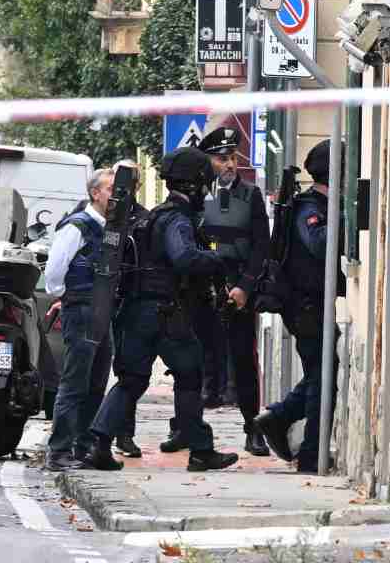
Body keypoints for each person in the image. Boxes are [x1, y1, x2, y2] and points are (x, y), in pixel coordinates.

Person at [85, 147, 241, 473]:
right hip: (166, 313)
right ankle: (199, 451)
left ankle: (99, 443)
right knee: (190, 373)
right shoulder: (177, 219)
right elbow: (183, 257)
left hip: (137, 312)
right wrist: (220, 259)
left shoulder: (153, 214)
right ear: (195, 184)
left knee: (131, 380)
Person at [254, 139, 342, 474]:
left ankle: (279, 418)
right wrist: (340, 217)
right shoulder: (310, 207)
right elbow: (320, 245)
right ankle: (310, 455)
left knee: (321, 375)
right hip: (305, 307)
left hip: (313, 305)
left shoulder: (316, 204)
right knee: (322, 382)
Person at [198, 127, 270, 457]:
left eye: (232, 158)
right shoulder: (197, 194)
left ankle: (252, 428)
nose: (228, 165)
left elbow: (261, 247)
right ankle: (189, 429)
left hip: (238, 287)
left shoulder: (251, 195)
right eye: (221, 159)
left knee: (243, 360)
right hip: (203, 285)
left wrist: (245, 286)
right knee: (196, 360)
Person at [43, 169, 117, 471]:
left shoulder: (110, 227)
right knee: (75, 382)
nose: (116, 195)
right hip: (83, 309)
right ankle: (59, 450)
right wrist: (70, 296)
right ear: (94, 193)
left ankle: (83, 447)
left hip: (102, 310)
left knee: (97, 382)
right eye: (110, 189)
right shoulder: (77, 227)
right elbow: (53, 276)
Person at [110, 159, 148, 460]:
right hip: (97, 299)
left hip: (127, 300)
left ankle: (124, 434)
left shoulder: (143, 219)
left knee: (128, 370)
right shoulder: (96, 212)